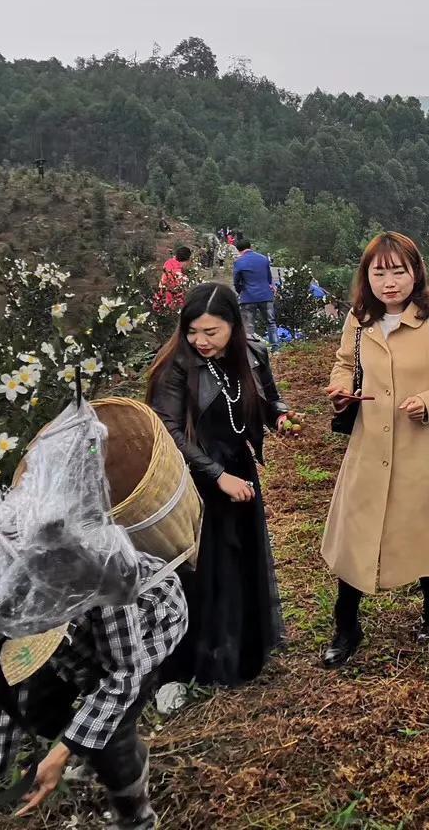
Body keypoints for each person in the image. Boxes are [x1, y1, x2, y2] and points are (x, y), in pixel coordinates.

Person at [0, 551, 188, 830]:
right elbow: (4, 689)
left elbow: (123, 673)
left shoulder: (97, 574)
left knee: (112, 737)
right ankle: (90, 752)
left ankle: (135, 816)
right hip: (74, 635)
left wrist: (61, 753)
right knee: (40, 709)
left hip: (146, 618)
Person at [321, 232, 429, 667]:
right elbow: (345, 363)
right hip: (369, 443)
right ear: (366, 276)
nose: (389, 282)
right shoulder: (360, 318)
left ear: (415, 272)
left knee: (426, 525)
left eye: (398, 272)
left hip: (423, 442)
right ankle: (346, 626)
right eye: (379, 272)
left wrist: (428, 402)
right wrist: (340, 387)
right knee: (357, 531)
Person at [148, 282, 287, 686]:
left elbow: (269, 401)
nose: (200, 340)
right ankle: (198, 661)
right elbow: (168, 430)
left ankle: (241, 651)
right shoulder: (176, 365)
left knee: (241, 558)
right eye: (193, 331)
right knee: (206, 566)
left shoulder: (253, 354)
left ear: (232, 326)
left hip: (237, 467)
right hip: (196, 477)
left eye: (211, 332)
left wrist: (280, 418)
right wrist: (217, 476)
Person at [233, 237, 277, 344]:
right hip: (265, 295)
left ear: (238, 250)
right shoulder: (264, 259)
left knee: (249, 325)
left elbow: (236, 281)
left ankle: (252, 348)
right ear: (250, 247)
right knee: (271, 323)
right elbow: (269, 279)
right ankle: (275, 348)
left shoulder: (239, 262)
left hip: (248, 297)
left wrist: (240, 292)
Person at [152, 245, 192, 316]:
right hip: (171, 303)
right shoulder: (178, 274)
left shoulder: (169, 262)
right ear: (186, 261)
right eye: (189, 261)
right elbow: (179, 291)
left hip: (161, 298)